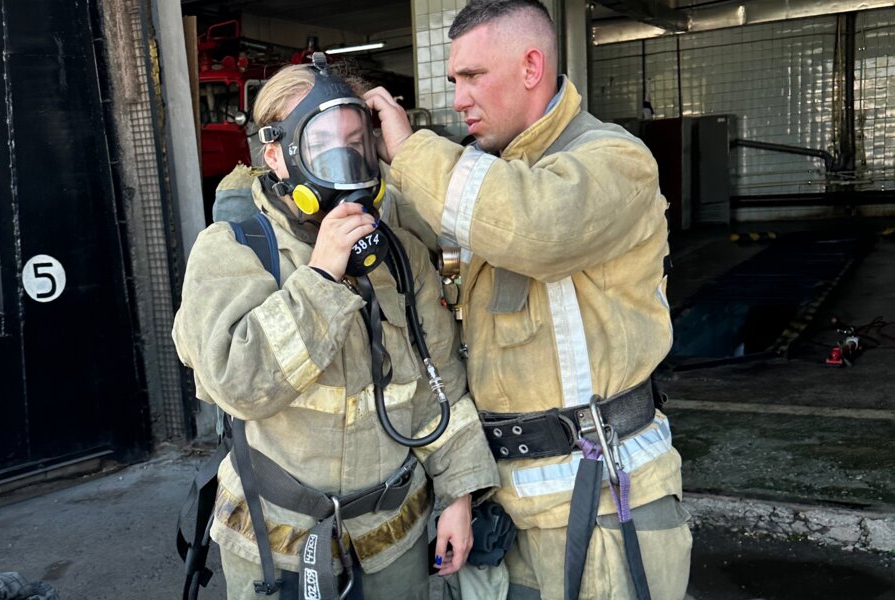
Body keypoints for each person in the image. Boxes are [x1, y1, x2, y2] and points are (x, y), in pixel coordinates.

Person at [362, 1, 691, 599]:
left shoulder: (612, 160)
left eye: (472, 77)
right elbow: (412, 235)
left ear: (531, 66)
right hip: (506, 504)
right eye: (453, 81)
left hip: (603, 508)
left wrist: (412, 152)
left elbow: (537, 226)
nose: (458, 98)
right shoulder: (480, 175)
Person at [173, 57, 498, 600]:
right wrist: (322, 277)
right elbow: (238, 382)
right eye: (325, 141)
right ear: (275, 154)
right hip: (274, 542)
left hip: (393, 536)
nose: (345, 158)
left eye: (356, 139)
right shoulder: (233, 250)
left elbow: (442, 385)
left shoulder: (400, 254)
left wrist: (459, 497)